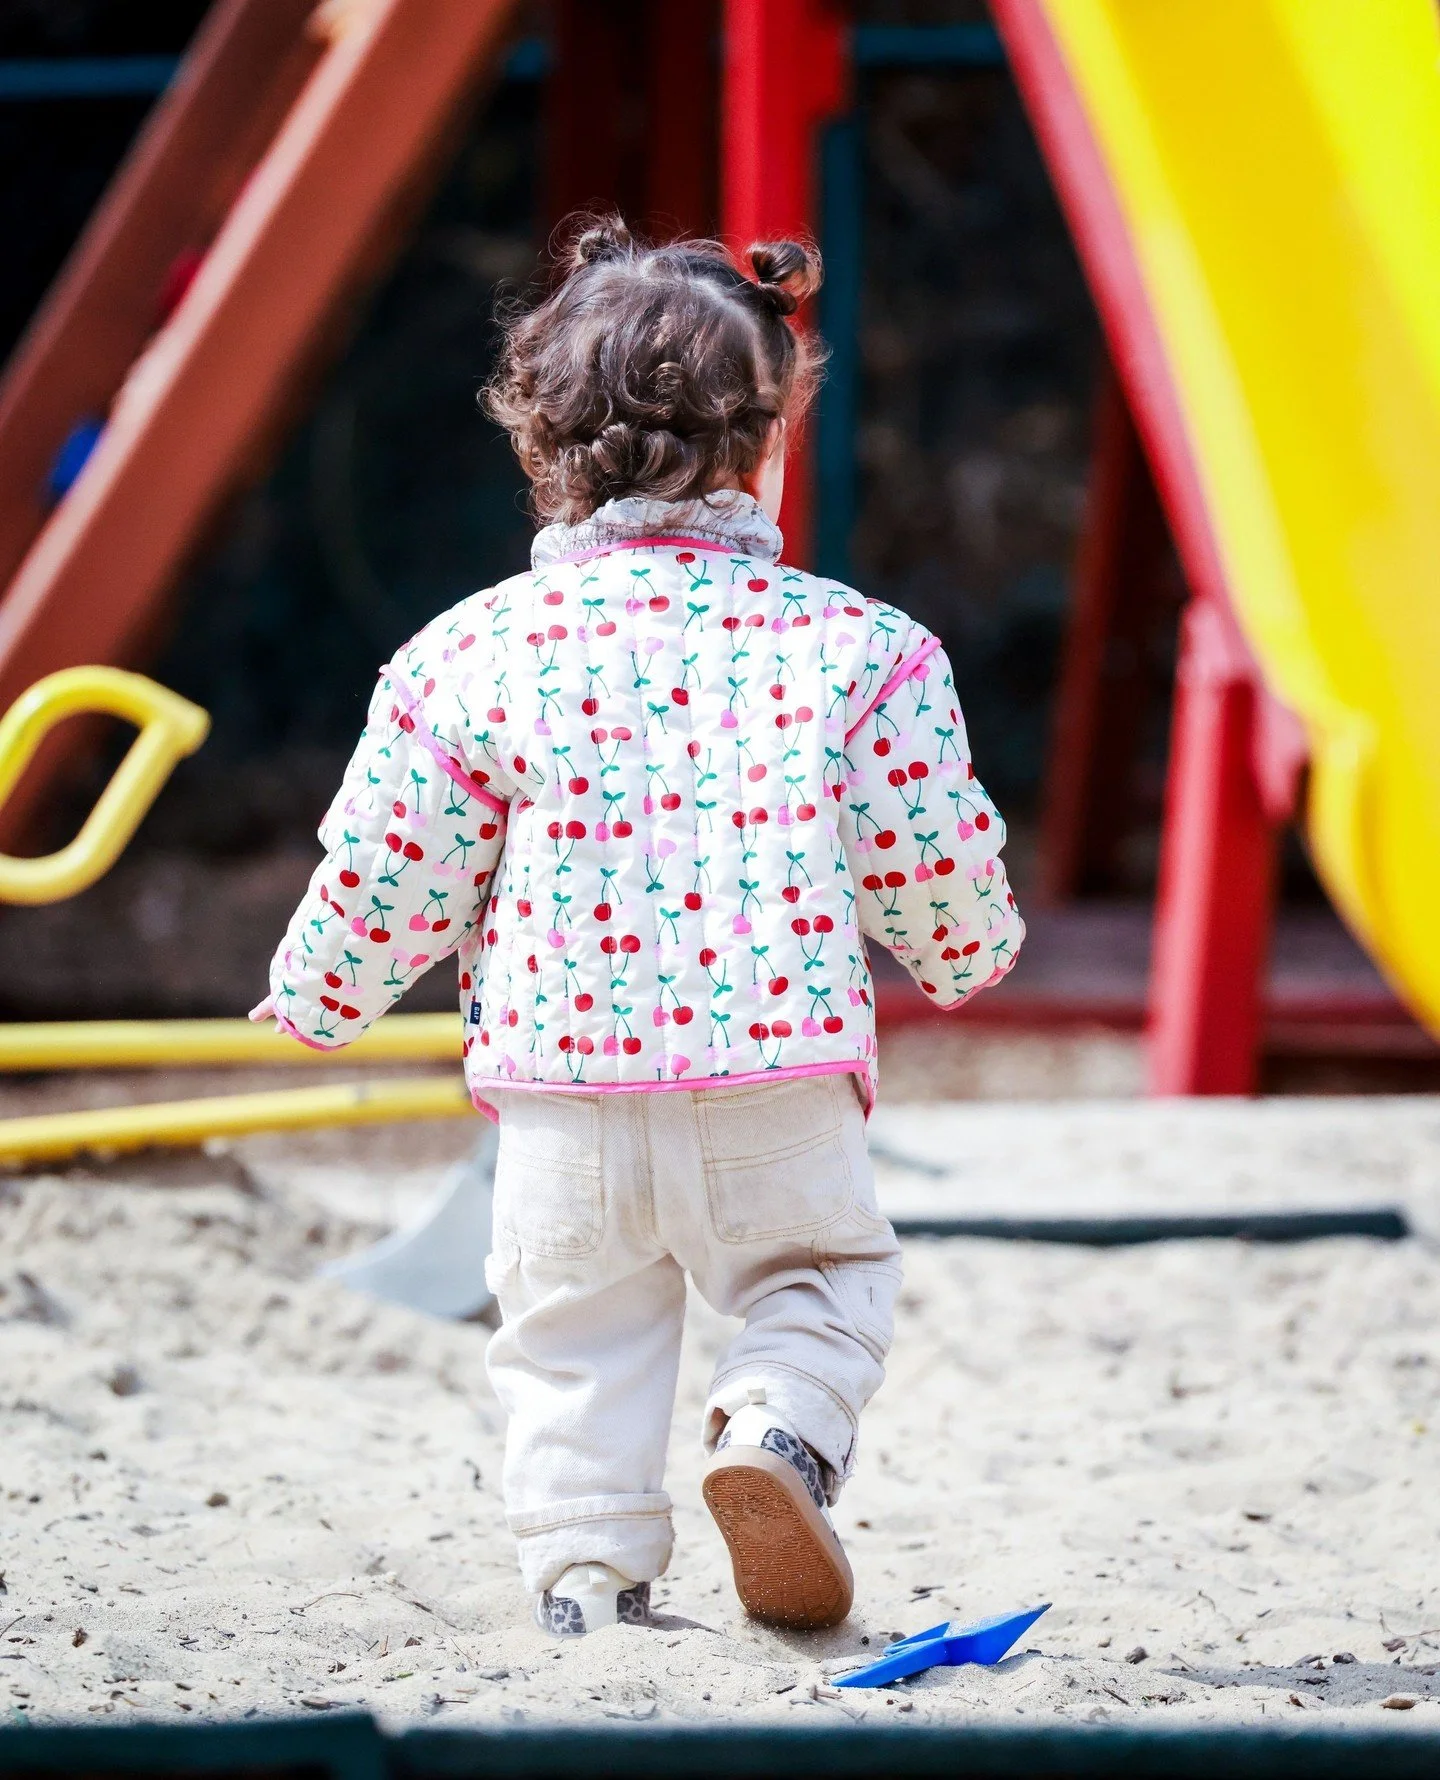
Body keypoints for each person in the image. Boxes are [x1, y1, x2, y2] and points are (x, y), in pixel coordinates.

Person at [253, 216, 1023, 1637]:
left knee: (570, 1341)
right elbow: (935, 868)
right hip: (774, 1083)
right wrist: (970, 949)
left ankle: (589, 1579)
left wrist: (318, 996)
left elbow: (391, 868)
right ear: (766, 445)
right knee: (824, 1279)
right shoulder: (861, 648)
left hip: (561, 1099)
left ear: (538, 449)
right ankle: (775, 1435)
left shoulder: (467, 655)